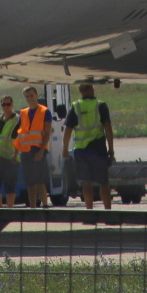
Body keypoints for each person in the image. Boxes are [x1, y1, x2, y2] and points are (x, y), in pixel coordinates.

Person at [63, 82, 116, 211]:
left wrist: (65, 149)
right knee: (104, 183)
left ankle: (89, 212)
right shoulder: (100, 105)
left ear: (80, 92)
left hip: (81, 150)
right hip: (98, 149)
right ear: (92, 89)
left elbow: (68, 130)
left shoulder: (75, 106)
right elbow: (108, 128)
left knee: (86, 183)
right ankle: (108, 212)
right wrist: (111, 150)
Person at [15, 86, 52, 208]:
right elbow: (20, 134)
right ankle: (33, 207)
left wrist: (41, 151)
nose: (30, 98)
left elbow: (47, 133)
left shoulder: (45, 111)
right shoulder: (23, 113)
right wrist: (15, 153)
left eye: (31, 95)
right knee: (30, 182)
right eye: (27, 96)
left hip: (39, 149)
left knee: (39, 180)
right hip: (26, 151)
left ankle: (45, 205)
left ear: (36, 95)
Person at [0, 95, 20, 208]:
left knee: (9, 185)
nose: (6, 107)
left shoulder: (17, 119)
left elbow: (20, 138)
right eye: (3, 104)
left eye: (8, 104)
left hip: (11, 157)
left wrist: (15, 155)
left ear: (12, 105)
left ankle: (10, 209)